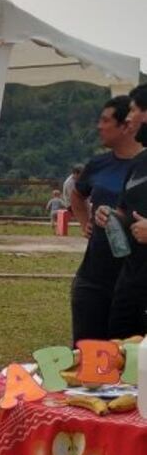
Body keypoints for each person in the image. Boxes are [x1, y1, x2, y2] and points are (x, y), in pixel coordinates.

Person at [70, 95, 137, 343]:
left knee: (129, 360)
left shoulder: (144, 166)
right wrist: (84, 221)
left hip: (134, 279)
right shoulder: (97, 164)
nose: (99, 126)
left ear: (126, 125)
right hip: (94, 277)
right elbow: (77, 195)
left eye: (105, 120)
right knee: (87, 356)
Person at [94, 84, 147, 336]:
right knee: (124, 360)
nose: (128, 117)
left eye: (134, 110)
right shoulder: (139, 164)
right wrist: (110, 215)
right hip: (132, 282)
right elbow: (126, 211)